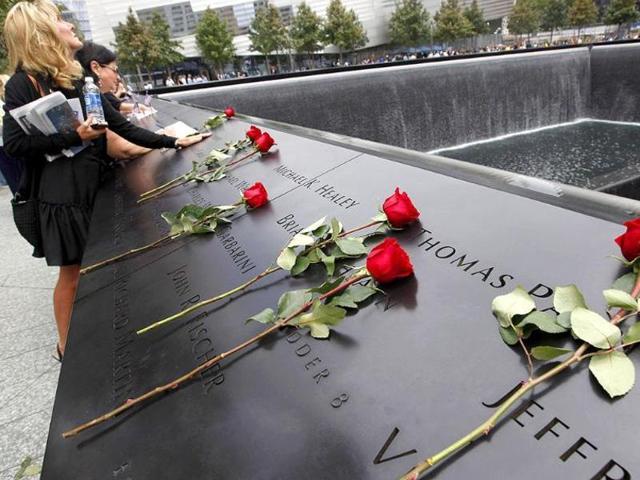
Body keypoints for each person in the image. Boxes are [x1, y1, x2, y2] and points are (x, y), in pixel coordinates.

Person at [2, 0, 206, 360]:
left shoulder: (77, 77)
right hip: (63, 198)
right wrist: (73, 137)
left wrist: (172, 140)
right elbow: (15, 144)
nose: (67, 24)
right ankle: (66, 349)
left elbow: (118, 125)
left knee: (97, 266)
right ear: (41, 32)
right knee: (73, 273)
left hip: (93, 187)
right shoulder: (23, 83)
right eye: (58, 20)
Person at [75, 41, 153, 159]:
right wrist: (172, 138)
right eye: (115, 70)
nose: (117, 77)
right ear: (95, 67)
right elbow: (124, 148)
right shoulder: (91, 100)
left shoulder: (92, 94)